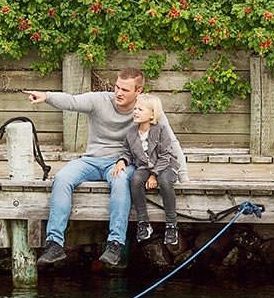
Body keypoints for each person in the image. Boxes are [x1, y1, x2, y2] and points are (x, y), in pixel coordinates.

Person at [26, 68, 190, 267]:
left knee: (121, 182)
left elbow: (171, 142)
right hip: (92, 159)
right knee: (62, 178)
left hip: (123, 162)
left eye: (125, 90)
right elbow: (72, 101)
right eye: (117, 87)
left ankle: (115, 244)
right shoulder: (99, 101)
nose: (118, 93)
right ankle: (54, 244)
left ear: (138, 92)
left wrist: (183, 175)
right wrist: (46, 96)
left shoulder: (146, 109)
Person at [112, 94, 181, 247]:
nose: (135, 112)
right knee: (135, 178)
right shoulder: (131, 133)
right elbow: (127, 152)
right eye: (135, 108)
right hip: (145, 167)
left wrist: (154, 175)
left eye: (140, 109)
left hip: (166, 166)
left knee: (164, 181)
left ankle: (171, 225)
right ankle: (143, 223)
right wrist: (122, 161)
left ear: (152, 114)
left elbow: (165, 156)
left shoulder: (161, 130)